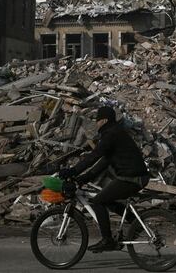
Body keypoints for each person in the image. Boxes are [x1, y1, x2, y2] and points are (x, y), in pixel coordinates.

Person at [59, 106, 149, 252]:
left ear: (105, 120)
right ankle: (136, 224)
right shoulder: (115, 133)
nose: (96, 123)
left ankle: (107, 240)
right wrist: (82, 178)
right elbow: (103, 163)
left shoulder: (111, 134)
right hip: (133, 176)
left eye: (98, 120)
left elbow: (94, 155)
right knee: (108, 201)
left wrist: (73, 171)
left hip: (133, 177)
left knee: (98, 201)